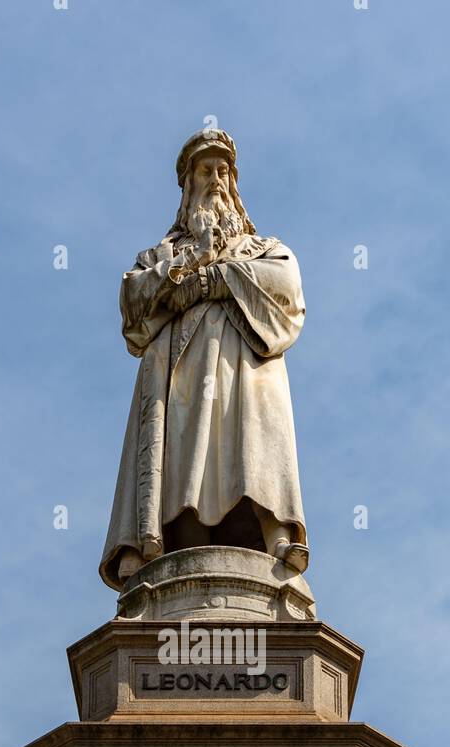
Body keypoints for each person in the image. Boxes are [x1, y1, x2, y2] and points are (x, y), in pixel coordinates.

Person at [100, 129, 308, 589]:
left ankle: (275, 530)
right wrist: (191, 260)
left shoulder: (260, 248)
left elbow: (287, 288)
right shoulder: (162, 255)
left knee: (251, 445)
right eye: (204, 170)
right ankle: (174, 540)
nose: (215, 179)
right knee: (184, 455)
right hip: (180, 376)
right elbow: (132, 301)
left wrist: (214, 278)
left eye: (222, 171)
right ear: (188, 184)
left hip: (245, 369)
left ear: (233, 182)